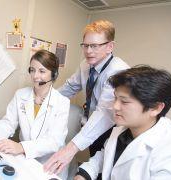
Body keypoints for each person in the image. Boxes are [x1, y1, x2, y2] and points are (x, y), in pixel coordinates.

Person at [74, 65, 171, 180]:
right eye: (115, 98)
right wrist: (85, 173)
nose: (115, 106)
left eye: (124, 101)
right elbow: (105, 155)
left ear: (155, 108)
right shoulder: (124, 129)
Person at [44, 20, 129, 174]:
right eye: (85, 45)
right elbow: (70, 87)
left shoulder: (118, 71)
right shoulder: (86, 64)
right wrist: (46, 99)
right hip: (93, 124)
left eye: (95, 46)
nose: (89, 51)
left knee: (108, 169)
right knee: (94, 165)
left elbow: (105, 112)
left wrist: (71, 148)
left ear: (110, 46)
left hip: (113, 127)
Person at [0, 50, 70, 178]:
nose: (35, 76)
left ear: (54, 74)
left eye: (42, 71)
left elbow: (55, 141)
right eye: (32, 70)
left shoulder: (62, 103)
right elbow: (8, 123)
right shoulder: (21, 95)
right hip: (25, 160)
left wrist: (21, 147)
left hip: (49, 165)